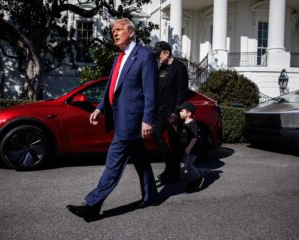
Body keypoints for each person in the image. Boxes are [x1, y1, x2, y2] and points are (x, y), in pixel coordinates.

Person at [67, 18, 159, 221]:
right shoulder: (119, 58)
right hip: (120, 117)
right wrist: (100, 108)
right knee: (141, 160)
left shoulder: (144, 56)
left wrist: (148, 120)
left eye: (118, 30)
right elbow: (111, 87)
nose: (114, 34)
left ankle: (92, 205)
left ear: (131, 32)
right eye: (112, 31)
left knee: (113, 162)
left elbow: (151, 92)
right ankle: (151, 195)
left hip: (132, 121)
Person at [151, 41, 190, 183]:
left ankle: (174, 173)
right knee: (156, 134)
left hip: (173, 112)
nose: (157, 57)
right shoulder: (161, 68)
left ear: (167, 53)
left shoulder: (179, 68)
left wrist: (176, 112)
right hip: (161, 111)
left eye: (158, 54)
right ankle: (170, 166)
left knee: (174, 143)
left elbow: (182, 93)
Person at [178, 102, 205, 192]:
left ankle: (198, 177)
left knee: (188, 165)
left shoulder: (192, 123)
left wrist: (189, 148)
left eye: (182, 111)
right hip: (185, 149)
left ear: (189, 113)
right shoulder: (183, 123)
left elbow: (194, 137)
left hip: (193, 149)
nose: (179, 112)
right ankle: (191, 180)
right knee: (187, 166)